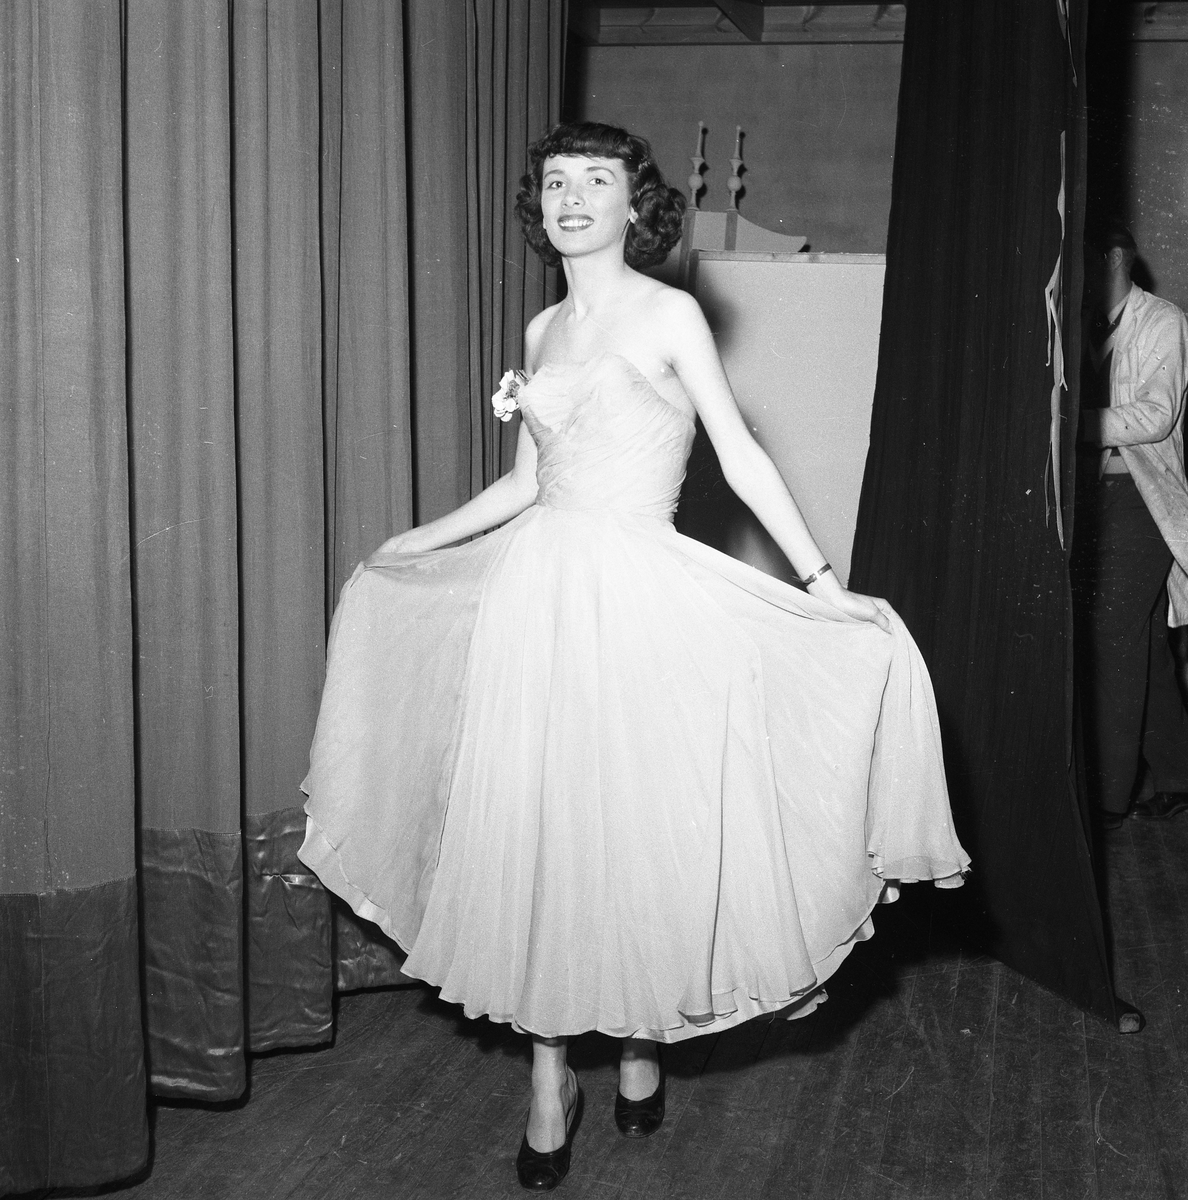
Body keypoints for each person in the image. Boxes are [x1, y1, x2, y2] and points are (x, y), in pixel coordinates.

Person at [298, 122, 968, 1191]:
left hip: (642, 599)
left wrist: (821, 583)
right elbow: (529, 482)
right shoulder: (543, 326)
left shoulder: (670, 314)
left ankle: (644, 1035)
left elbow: (738, 453)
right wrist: (415, 541)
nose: (572, 198)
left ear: (633, 205)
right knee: (542, 833)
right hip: (536, 604)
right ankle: (549, 1078)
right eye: (556, 182)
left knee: (639, 827)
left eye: (595, 180)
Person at [1074, 222, 1188, 828]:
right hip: (1095, 499)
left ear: (1115, 257)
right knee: (1141, 640)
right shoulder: (1083, 322)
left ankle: (1109, 796)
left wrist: (1077, 422)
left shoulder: (1163, 321)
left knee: (1108, 634)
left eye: (1084, 256)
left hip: (1142, 500)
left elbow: (1157, 414)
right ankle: (1177, 775)